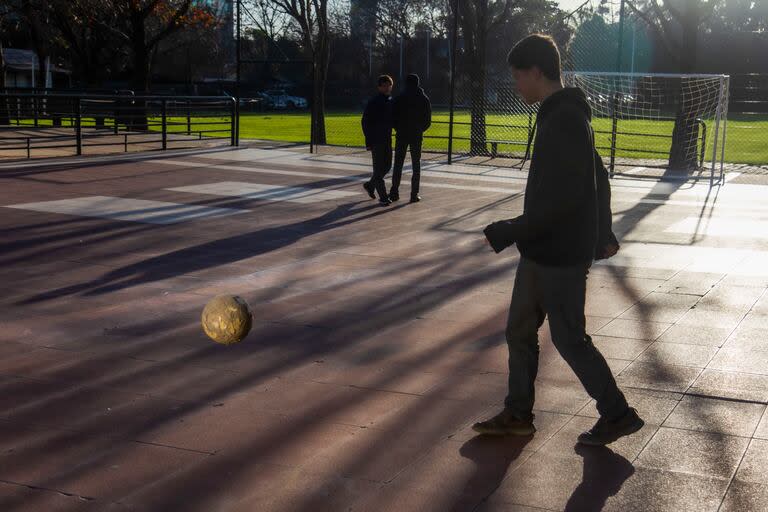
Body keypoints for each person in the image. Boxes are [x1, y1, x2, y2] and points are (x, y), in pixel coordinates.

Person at [474, 34, 643, 446]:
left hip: (559, 253)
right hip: (542, 250)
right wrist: (603, 231)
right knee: (519, 330)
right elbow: (598, 176)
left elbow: (565, 199)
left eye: (517, 76)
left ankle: (617, 414)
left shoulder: (564, 118)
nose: (515, 84)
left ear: (535, 71)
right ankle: (517, 413)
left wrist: (511, 229)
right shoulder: (561, 114)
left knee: (569, 339)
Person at [390, 73, 431, 203]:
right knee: (416, 164)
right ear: (418, 83)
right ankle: (414, 193)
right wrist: (420, 129)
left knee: (398, 164)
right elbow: (427, 120)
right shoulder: (423, 99)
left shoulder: (400, 98)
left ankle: (394, 191)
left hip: (402, 134)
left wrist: (398, 127)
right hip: (416, 135)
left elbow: (393, 116)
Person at [362, 75, 395, 206]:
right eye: (385, 85)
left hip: (387, 138)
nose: (388, 87)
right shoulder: (374, 102)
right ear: (379, 87)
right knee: (378, 169)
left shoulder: (391, 100)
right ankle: (383, 196)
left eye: (390, 85)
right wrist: (368, 142)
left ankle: (370, 185)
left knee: (387, 166)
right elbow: (365, 122)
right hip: (376, 139)